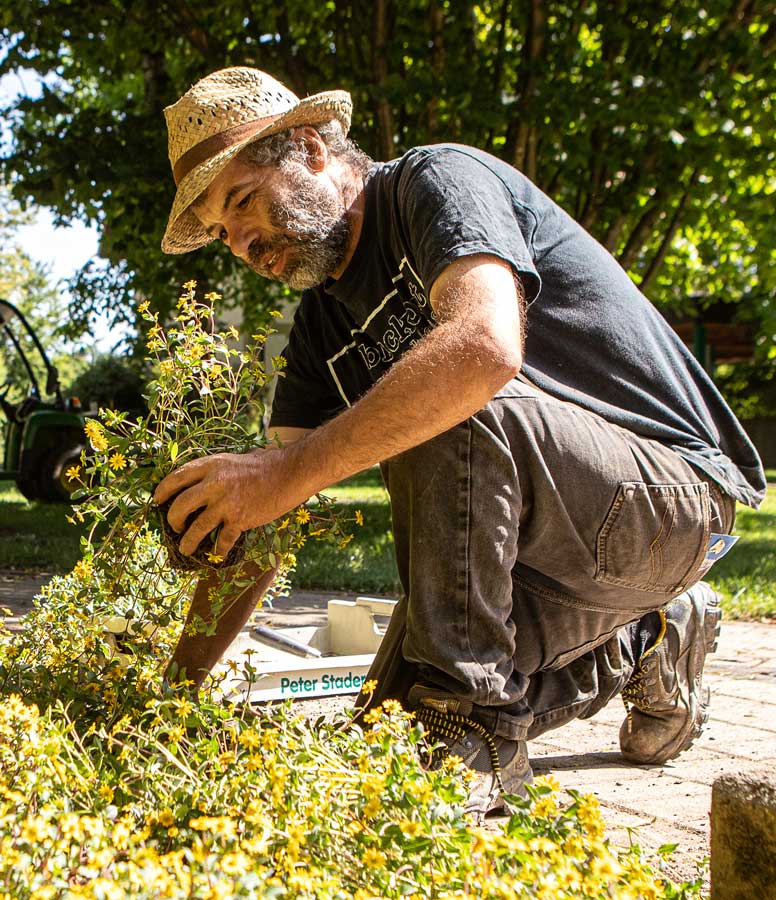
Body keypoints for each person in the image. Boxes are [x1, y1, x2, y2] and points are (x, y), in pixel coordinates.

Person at [155, 67, 765, 816]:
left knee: (446, 396)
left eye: (244, 201)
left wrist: (281, 473)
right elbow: (275, 515)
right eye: (222, 232)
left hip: (671, 501)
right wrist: (171, 696)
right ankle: (647, 636)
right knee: (386, 731)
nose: (241, 244)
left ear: (310, 149)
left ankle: (474, 728)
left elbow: (483, 349)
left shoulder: (436, 182)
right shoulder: (319, 328)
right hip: (545, 549)